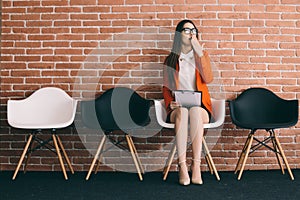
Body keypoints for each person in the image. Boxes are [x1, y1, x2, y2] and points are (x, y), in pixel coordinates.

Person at [162, 19, 213, 186]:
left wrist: (199, 50)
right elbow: (166, 88)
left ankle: (196, 165)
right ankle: (182, 165)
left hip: (200, 107)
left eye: (193, 30)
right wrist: (170, 103)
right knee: (184, 112)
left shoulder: (201, 56)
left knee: (195, 111)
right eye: (186, 30)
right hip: (179, 107)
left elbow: (209, 78)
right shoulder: (170, 59)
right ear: (179, 35)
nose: (191, 32)